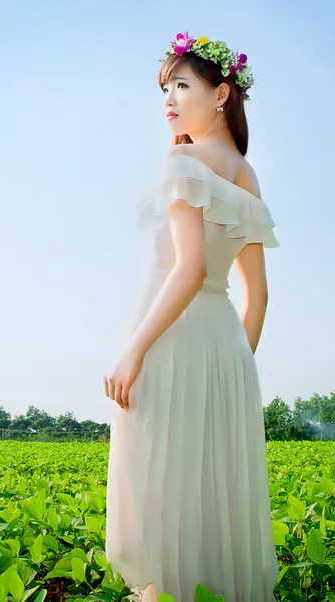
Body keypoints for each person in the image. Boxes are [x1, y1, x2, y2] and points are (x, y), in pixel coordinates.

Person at [104, 33, 279, 602]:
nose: (168, 100)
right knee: (212, 498)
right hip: (225, 347)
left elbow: (188, 269)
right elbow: (257, 297)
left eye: (182, 85)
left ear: (222, 92)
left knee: (161, 493)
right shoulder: (246, 176)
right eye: (165, 89)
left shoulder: (182, 160)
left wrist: (133, 351)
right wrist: (231, 368)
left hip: (170, 340)